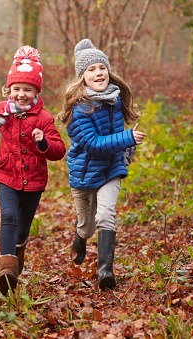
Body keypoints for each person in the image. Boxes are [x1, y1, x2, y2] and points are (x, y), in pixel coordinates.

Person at [0, 46, 66, 296]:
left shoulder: (44, 118)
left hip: (34, 180)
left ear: (37, 91)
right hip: (6, 175)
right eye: (16, 89)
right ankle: (6, 267)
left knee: (23, 227)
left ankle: (18, 250)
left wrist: (43, 143)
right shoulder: (3, 111)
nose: (22, 94)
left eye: (28, 90)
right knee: (8, 215)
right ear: (9, 91)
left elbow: (59, 151)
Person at [57, 39, 146, 290]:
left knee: (105, 215)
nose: (98, 73)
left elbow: (115, 136)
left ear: (108, 71)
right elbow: (94, 144)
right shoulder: (79, 109)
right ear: (82, 77)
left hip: (111, 169)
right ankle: (80, 236)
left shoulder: (115, 99)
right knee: (87, 225)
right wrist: (126, 138)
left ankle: (105, 270)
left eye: (102, 68)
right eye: (91, 69)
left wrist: (127, 147)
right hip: (85, 173)